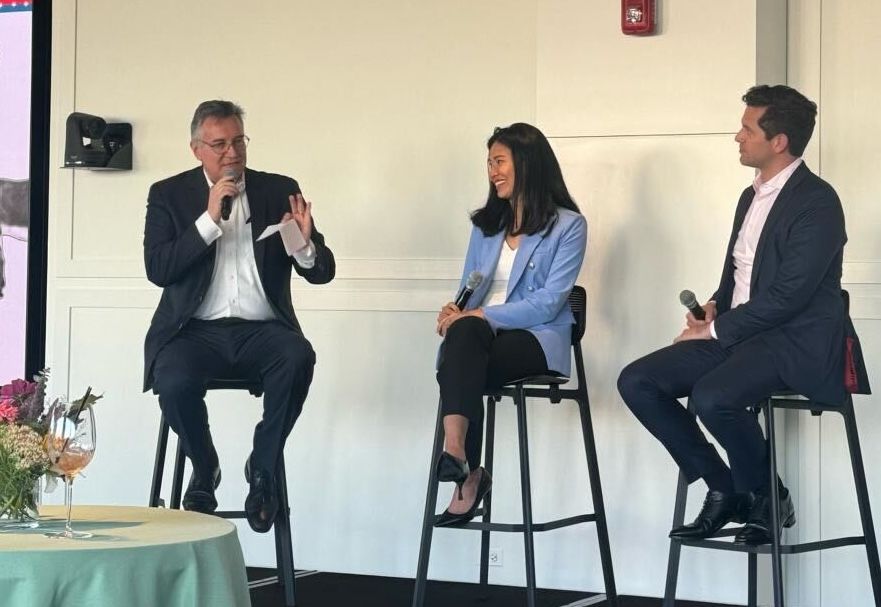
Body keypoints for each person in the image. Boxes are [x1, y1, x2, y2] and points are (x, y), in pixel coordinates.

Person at [617, 85, 848, 545]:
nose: (737, 136)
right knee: (637, 381)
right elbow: (742, 277)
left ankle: (766, 493)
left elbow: (788, 297)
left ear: (778, 140)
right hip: (741, 335)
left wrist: (717, 330)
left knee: (712, 397)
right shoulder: (750, 196)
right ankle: (726, 490)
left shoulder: (818, 203)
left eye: (747, 128)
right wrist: (712, 309)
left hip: (792, 340)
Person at [142, 100, 334, 532]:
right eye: (219, 144)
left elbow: (323, 272)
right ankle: (204, 466)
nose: (231, 153)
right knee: (171, 378)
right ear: (196, 149)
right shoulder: (168, 195)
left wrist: (304, 247)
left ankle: (262, 468)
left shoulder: (278, 188)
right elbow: (159, 270)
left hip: (262, 331)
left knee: (298, 356)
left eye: (238, 141)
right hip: (194, 332)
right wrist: (209, 219)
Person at [434, 123, 587, 526]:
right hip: (479, 339)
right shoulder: (485, 227)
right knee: (464, 342)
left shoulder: (568, 226)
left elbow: (550, 302)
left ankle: (462, 470)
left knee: (462, 355)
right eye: (488, 163)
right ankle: (458, 455)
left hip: (536, 338)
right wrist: (456, 310)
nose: (492, 171)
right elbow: (470, 288)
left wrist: (480, 316)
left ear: (527, 165)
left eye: (499, 161)